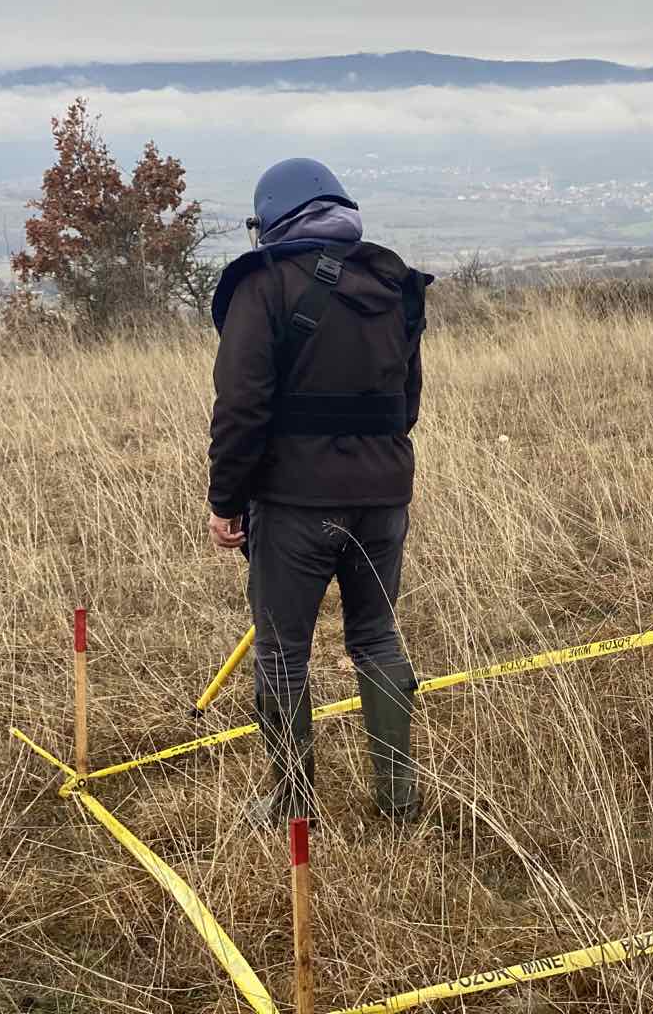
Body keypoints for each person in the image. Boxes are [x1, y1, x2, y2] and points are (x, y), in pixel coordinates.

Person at [207, 157, 433, 826]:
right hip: (385, 498)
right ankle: (399, 801)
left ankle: (291, 805)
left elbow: (240, 406)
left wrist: (226, 501)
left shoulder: (265, 283)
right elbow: (407, 402)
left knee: (281, 652)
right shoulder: (394, 283)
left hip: (295, 506)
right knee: (376, 638)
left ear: (271, 218)